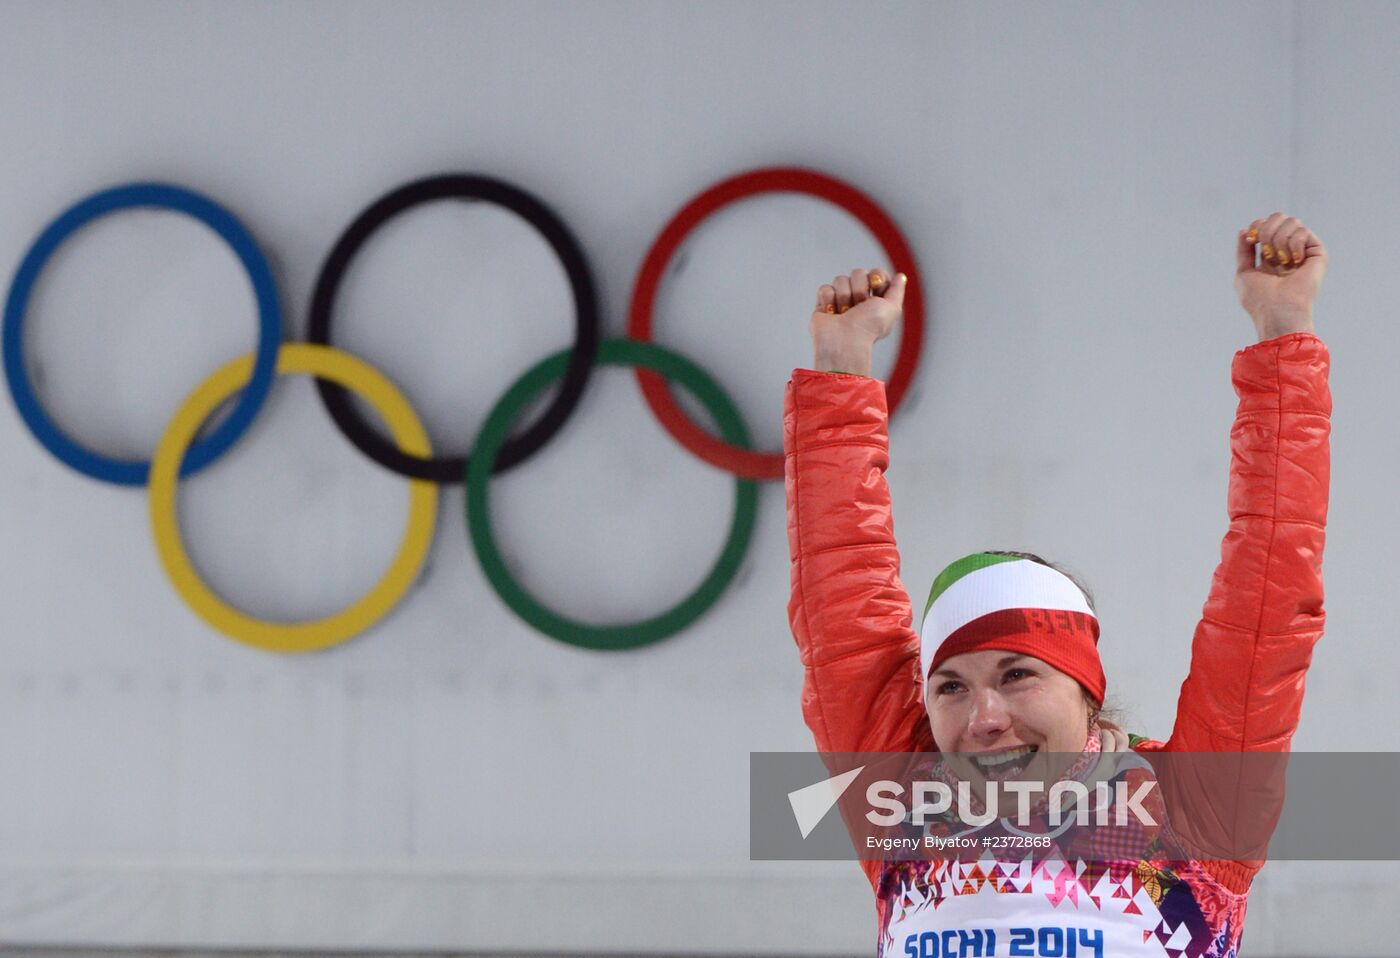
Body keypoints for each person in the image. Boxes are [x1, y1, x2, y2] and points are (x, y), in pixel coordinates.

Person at [783, 213, 1330, 957]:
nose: (985, 718)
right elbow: (838, 596)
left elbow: (1270, 582)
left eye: (1017, 675)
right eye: (950, 686)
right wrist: (841, 361)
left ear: (1086, 689)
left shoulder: (1195, 808)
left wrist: (1282, 325)